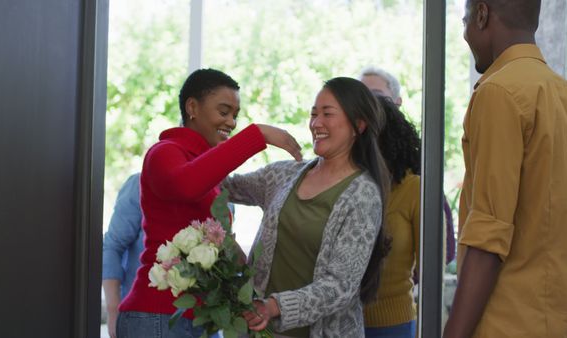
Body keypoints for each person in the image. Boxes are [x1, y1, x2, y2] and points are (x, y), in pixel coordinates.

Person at [116, 68, 302, 338]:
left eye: (235, 116)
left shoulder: (210, 173)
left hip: (201, 318)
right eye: (224, 111)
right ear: (192, 107)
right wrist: (257, 135)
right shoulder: (165, 152)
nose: (231, 122)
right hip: (158, 316)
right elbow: (187, 184)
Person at [443, 1, 567, 337]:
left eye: (465, 21)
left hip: (503, 324)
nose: (465, 35)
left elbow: (488, 236)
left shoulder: (499, 92)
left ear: (482, 15)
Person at [223, 77, 392, 337]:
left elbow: (340, 286)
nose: (316, 123)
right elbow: (220, 186)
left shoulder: (363, 195)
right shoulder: (283, 175)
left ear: (359, 125)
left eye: (327, 114)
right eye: (313, 114)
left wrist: (274, 306)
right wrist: (255, 136)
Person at [360, 65, 457, 267]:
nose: (368, 103)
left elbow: (443, 251)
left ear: (397, 103)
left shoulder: (415, 179)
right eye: (361, 96)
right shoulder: (342, 167)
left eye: (377, 96)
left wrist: (401, 276)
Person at [362, 96, 421, 337]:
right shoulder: (347, 185)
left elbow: (432, 270)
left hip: (395, 325)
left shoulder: (415, 189)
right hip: (340, 322)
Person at [103, 173, 144, 338]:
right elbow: (112, 246)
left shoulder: (221, 188)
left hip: (203, 321)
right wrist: (113, 309)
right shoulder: (140, 184)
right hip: (141, 316)